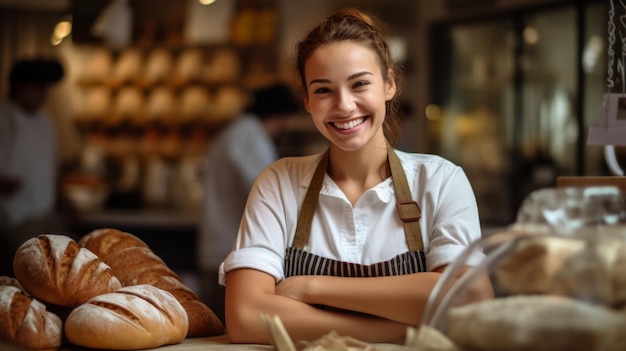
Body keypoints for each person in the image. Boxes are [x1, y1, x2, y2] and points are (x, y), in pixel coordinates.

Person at [220, 8, 492, 344]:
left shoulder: (440, 180)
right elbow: (245, 318)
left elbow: (469, 300)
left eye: (360, 83)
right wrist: (401, 329)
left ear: (389, 84)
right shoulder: (279, 183)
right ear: (306, 100)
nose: (344, 105)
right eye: (323, 90)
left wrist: (311, 287)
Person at [199, 82, 301, 323]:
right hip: (230, 251)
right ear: (279, 115)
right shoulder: (248, 136)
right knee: (227, 329)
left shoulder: (241, 132)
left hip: (225, 247)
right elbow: (265, 192)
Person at [0, 58, 69, 276]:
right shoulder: (5, 118)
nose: (44, 94)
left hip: (46, 217)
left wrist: (63, 200)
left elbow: (50, 168)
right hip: (15, 220)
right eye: (39, 88)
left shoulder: (45, 122)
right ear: (20, 85)